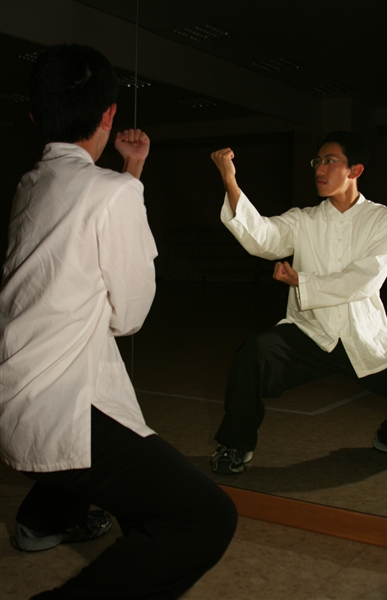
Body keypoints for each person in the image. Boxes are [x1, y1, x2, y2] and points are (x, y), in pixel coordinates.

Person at [0, 44, 237, 599]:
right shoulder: (113, 193)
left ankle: (40, 521)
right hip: (58, 407)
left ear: (35, 116)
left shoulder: (31, 183)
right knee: (204, 517)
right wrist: (129, 180)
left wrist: (131, 172)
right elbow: (129, 317)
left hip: (15, 391)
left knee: (122, 427)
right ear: (109, 114)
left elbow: (88, 212)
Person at [210, 131, 387, 474]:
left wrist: (303, 281)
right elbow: (262, 238)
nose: (319, 169)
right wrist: (229, 179)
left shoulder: (386, 220)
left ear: (355, 170)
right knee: (252, 357)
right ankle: (235, 444)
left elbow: (365, 279)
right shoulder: (304, 219)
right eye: (317, 162)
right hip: (309, 332)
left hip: (364, 336)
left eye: (330, 161)